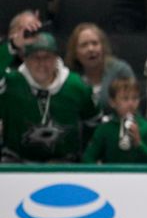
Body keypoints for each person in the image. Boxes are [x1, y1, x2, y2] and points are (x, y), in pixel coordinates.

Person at [0, 31, 99, 162]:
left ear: (56, 58)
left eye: (47, 57)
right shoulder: (11, 83)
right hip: (16, 163)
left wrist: (87, 161)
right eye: (36, 57)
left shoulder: (77, 86)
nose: (41, 63)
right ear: (25, 58)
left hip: (65, 165)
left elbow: (94, 124)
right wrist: (11, 46)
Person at [83, 77, 147, 164]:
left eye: (135, 98)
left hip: (141, 176)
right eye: (125, 99)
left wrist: (139, 143)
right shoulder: (105, 129)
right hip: (111, 176)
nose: (131, 103)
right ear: (112, 102)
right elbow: (88, 158)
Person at [64, 23, 135, 115]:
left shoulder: (120, 71)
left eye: (95, 43)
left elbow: (132, 108)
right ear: (75, 52)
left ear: (103, 47)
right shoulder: (69, 77)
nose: (90, 49)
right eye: (84, 45)